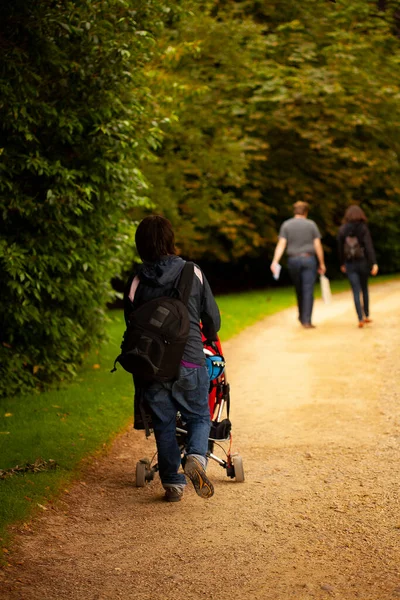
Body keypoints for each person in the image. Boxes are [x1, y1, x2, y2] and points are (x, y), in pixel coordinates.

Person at [124, 215, 221, 502]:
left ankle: (173, 484)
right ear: (170, 240)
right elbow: (212, 317)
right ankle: (195, 458)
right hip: (189, 358)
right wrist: (212, 336)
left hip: (151, 365)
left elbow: (131, 324)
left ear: (141, 245)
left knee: (164, 423)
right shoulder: (192, 271)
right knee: (199, 416)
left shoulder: (136, 280)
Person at [270, 201, 326, 329]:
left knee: (299, 288)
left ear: (295, 211)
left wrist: (275, 261)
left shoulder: (286, 225)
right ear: (306, 212)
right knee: (308, 289)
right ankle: (306, 320)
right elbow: (317, 245)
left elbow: (281, 244)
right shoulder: (311, 225)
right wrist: (322, 263)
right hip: (308, 259)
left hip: (293, 261)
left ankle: (301, 316)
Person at [337, 205, 378, 328]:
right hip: (363, 262)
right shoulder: (363, 228)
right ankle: (366, 315)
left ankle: (359, 318)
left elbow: (339, 249)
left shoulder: (342, 229)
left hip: (350, 263)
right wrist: (373, 263)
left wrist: (342, 263)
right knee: (364, 288)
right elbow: (369, 246)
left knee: (355, 290)